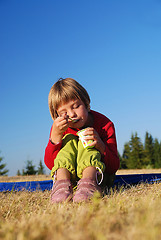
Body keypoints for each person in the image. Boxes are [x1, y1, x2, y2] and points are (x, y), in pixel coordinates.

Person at [44, 78, 119, 203]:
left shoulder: (105, 125)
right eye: (64, 112)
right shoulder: (59, 129)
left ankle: (88, 182)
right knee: (70, 140)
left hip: (99, 179)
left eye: (76, 106)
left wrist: (100, 146)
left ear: (87, 104)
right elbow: (51, 164)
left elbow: (114, 167)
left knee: (87, 140)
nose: (72, 114)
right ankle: (61, 186)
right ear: (56, 116)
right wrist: (55, 137)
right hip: (71, 181)